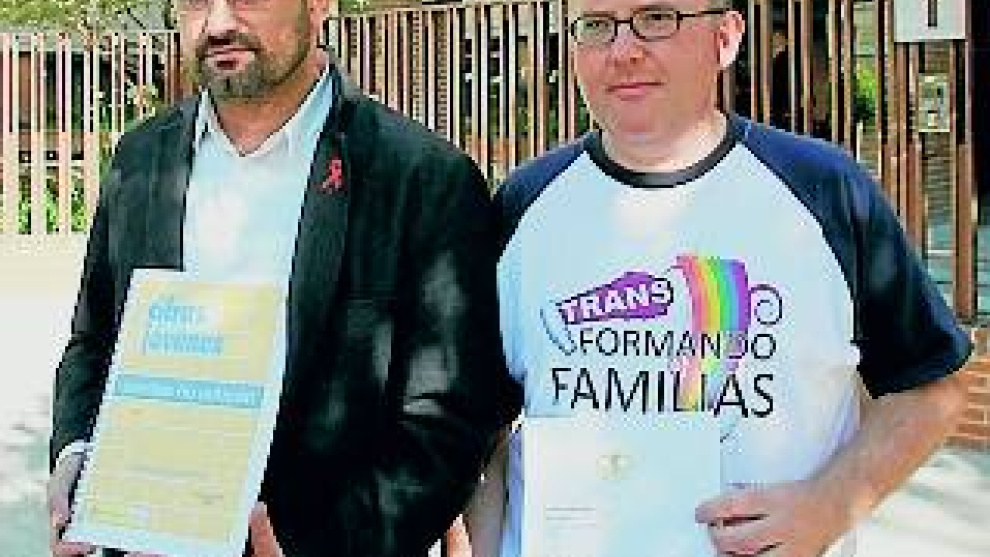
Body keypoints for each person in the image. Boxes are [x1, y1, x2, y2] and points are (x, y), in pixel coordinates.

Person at [467, 0, 972, 556]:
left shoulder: (823, 191)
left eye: (656, 18)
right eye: (596, 26)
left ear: (725, 38)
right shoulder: (525, 202)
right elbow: (483, 426)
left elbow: (930, 390)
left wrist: (830, 505)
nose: (623, 50)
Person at [46, 0, 520, 555]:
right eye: (196, 2)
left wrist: (311, 546)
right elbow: (96, 339)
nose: (219, 23)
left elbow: (449, 423)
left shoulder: (421, 178)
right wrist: (76, 454)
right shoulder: (141, 159)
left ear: (320, 6)